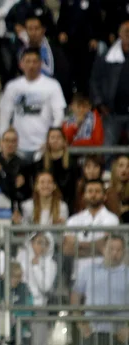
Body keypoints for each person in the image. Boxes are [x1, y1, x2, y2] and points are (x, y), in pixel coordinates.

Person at [71, 234, 129, 345]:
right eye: (111, 249)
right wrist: (80, 322)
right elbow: (75, 297)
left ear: (124, 251)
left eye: (118, 249)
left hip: (119, 334)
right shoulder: (88, 271)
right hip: (92, 332)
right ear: (103, 249)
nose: (115, 253)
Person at [0, 48, 66, 160]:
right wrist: (3, 140)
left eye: (35, 61)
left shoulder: (52, 85)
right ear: (21, 64)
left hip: (43, 146)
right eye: (27, 61)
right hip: (17, 147)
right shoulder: (12, 87)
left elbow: (59, 115)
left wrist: (51, 141)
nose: (31, 65)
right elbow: (4, 117)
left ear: (41, 63)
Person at [63, 179, 120, 282]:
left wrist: (78, 245)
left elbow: (107, 246)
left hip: (105, 276)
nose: (93, 195)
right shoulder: (73, 220)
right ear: (84, 195)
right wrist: (98, 247)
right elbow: (67, 249)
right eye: (90, 191)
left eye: (97, 191)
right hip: (78, 275)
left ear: (104, 196)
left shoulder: (112, 219)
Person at [90, 21, 129, 149]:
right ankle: (107, 169)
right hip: (112, 113)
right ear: (119, 34)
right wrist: (100, 103)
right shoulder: (106, 57)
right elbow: (94, 80)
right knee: (107, 149)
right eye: (126, 31)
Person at [33, 128, 77, 206]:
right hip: (45, 204)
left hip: (68, 203)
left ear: (64, 141)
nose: (55, 140)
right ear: (48, 141)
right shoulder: (40, 163)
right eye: (52, 137)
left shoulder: (73, 163)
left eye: (58, 137)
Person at [105, 155, 129, 222]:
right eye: (121, 165)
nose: (124, 169)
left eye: (128, 166)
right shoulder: (108, 192)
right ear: (115, 168)